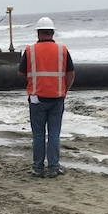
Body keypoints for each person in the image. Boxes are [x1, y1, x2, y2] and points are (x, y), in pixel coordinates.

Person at [18, 16, 75, 177]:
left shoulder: (30, 51)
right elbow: (71, 74)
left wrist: (34, 81)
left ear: (38, 33)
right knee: (54, 134)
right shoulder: (62, 50)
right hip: (57, 98)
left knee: (38, 135)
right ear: (52, 33)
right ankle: (54, 168)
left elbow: (21, 73)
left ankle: (37, 168)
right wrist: (64, 90)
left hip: (37, 98)